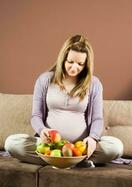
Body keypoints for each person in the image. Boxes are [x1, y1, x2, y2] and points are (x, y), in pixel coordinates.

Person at [4, 34, 123, 167]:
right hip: (49, 147)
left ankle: (64, 160)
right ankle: (71, 162)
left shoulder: (94, 84)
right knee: (12, 143)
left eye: (80, 64)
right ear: (63, 58)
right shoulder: (45, 80)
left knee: (115, 147)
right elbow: (36, 116)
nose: (74, 67)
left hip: (80, 149)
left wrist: (92, 138)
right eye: (70, 62)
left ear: (86, 65)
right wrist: (42, 130)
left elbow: (97, 119)